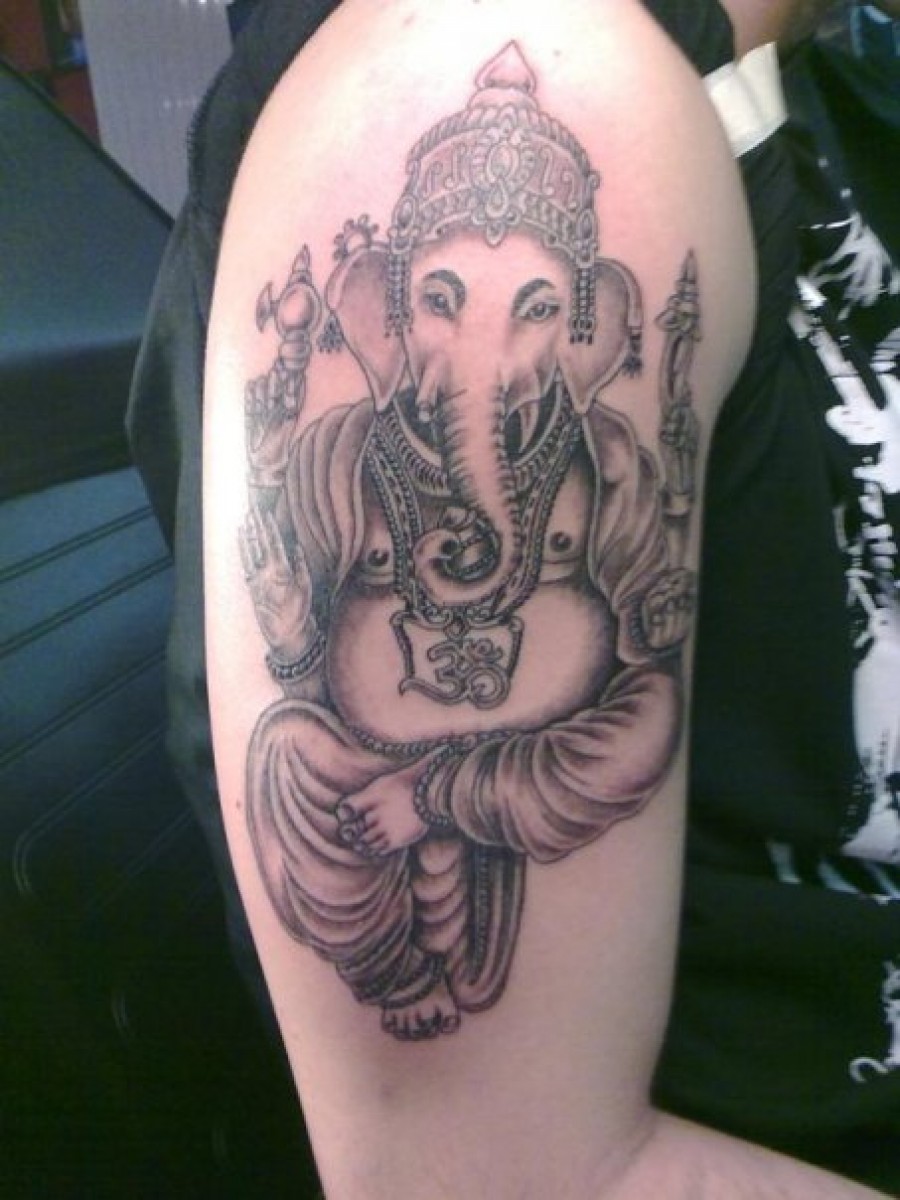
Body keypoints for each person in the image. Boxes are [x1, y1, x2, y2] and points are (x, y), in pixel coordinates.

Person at [128, 0, 897, 1194]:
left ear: (589, 323)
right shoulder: (520, 61)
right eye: (441, 299)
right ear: (390, 306)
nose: (485, 334)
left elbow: (638, 639)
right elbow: (495, 1178)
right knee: (297, 759)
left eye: (537, 308)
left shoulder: (816, 108)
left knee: (631, 720)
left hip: (540, 748)